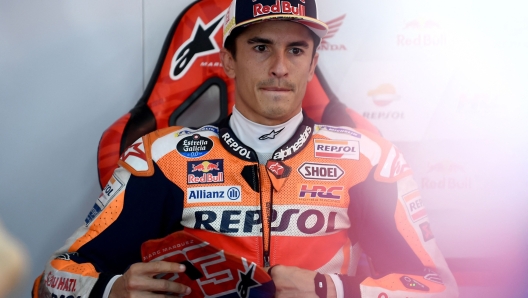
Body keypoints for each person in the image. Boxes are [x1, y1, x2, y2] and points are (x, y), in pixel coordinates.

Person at [33, 0, 459, 297]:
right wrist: (114, 290)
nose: (279, 67)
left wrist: (332, 290)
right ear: (229, 61)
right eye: (261, 47)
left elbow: (440, 288)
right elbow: (52, 280)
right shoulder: (161, 157)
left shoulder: (369, 160)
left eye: (296, 50)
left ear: (313, 65)